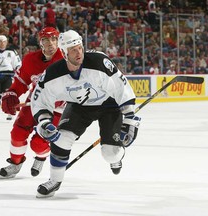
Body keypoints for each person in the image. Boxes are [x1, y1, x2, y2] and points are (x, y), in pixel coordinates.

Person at [30, 30, 141, 198]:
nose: (79, 53)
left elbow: (121, 87)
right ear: (64, 53)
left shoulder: (99, 62)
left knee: (110, 154)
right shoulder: (53, 74)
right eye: (73, 50)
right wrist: (44, 122)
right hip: (79, 106)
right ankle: (54, 180)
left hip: (109, 105)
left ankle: (116, 156)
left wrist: (130, 119)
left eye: (80, 48)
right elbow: (40, 101)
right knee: (62, 138)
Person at [0, 27, 64, 179]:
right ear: (40, 43)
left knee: (39, 143)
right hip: (35, 102)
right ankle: (15, 163)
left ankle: (41, 157)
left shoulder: (66, 60)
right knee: (17, 133)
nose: (51, 44)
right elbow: (21, 82)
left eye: (54, 39)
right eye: (46, 40)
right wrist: (12, 93)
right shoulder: (30, 59)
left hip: (58, 107)